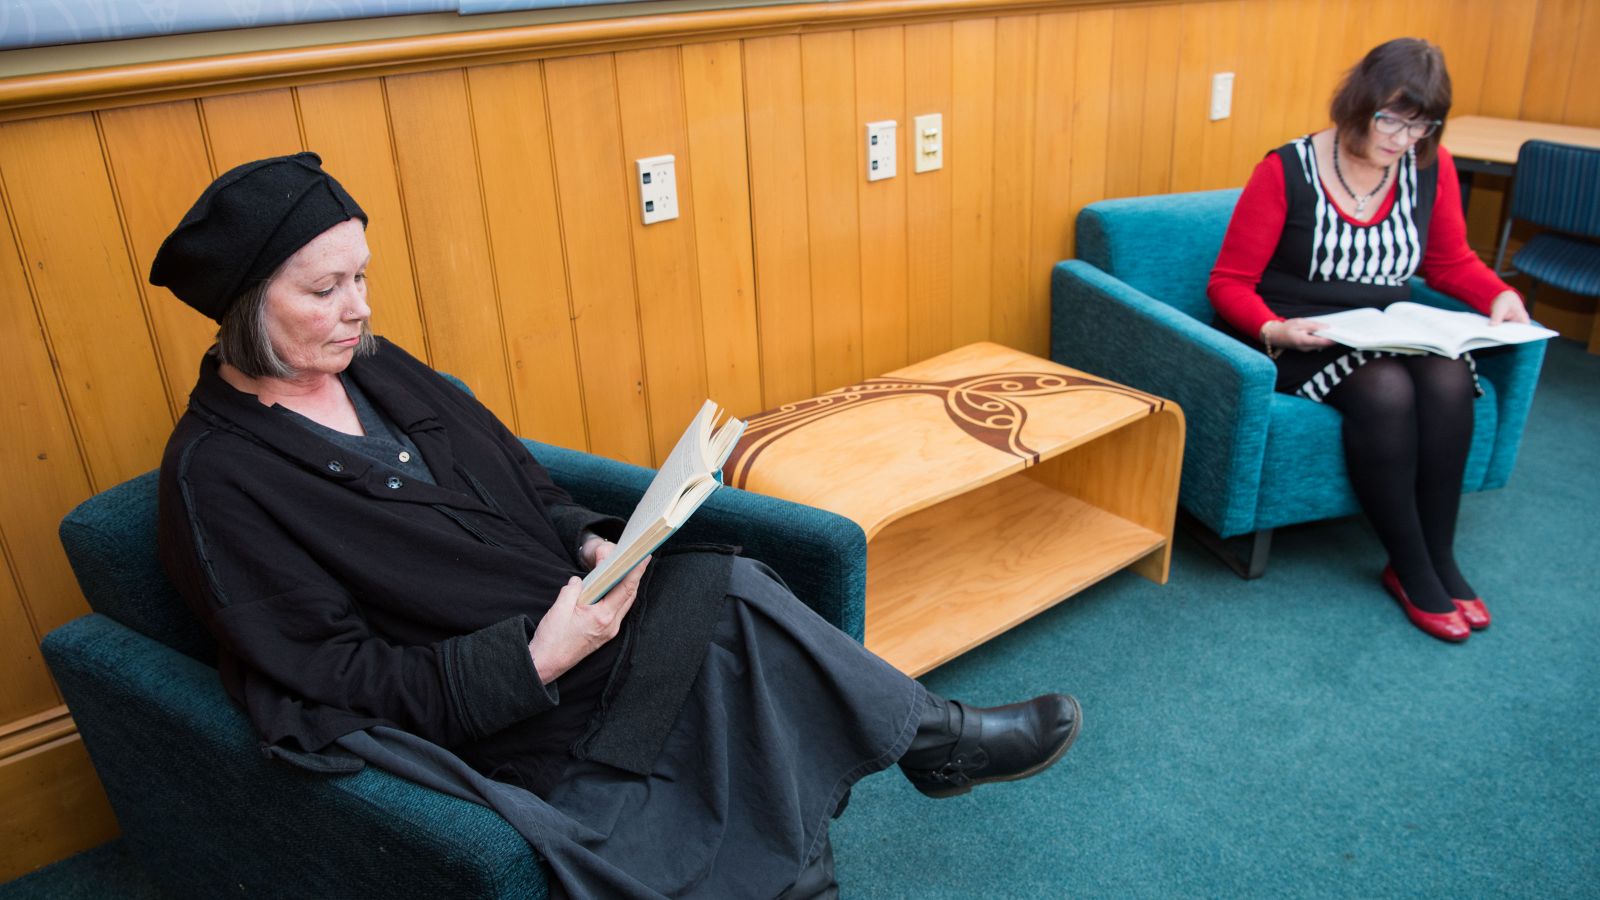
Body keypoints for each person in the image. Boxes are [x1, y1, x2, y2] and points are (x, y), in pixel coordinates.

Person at [148, 151, 1081, 897]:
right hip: (500, 700)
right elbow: (332, 674)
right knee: (730, 626)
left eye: (361, 277)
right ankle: (917, 761)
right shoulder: (216, 479)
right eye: (324, 291)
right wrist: (535, 659)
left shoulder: (380, 369)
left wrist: (590, 537)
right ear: (243, 311)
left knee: (730, 592)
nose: (360, 309)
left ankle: (894, 781)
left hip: (572, 617)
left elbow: (521, 480)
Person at [1207, 38, 1530, 643]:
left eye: (1420, 125)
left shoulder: (1431, 165)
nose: (1403, 139)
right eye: (1391, 118)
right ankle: (1411, 567)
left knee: (1449, 377)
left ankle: (1440, 557)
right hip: (1298, 329)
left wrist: (1496, 295)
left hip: (1386, 325)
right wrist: (1274, 328)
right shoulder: (1287, 169)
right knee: (1384, 391)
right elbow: (1228, 282)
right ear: (1358, 103)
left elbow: (1449, 259)